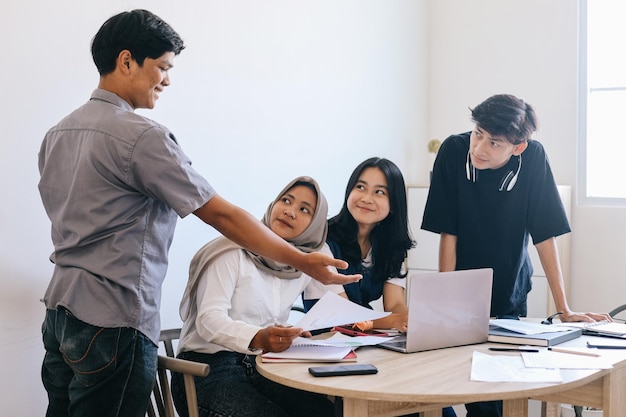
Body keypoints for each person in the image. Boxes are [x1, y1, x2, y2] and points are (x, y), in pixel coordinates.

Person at [37, 10, 358, 417]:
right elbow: (220, 215)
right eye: (162, 68)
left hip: (60, 313)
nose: (167, 80)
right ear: (126, 61)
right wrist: (303, 261)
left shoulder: (57, 134)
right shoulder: (142, 137)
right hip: (112, 318)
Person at [421, 93, 611, 417]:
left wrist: (564, 308)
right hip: (461, 291)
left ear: (517, 146)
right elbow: (448, 234)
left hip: (508, 291)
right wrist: (446, 305)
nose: (479, 148)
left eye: (494, 143)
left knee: (492, 399)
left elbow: (545, 235)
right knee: (445, 388)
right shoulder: (453, 151)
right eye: (477, 134)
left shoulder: (534, 158)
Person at [172, 176, 344, 417]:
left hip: (264, 368)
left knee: (333, 412)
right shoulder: (231, 251)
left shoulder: (304, 263)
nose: (290, 212)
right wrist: (258, 337)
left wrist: (286, 335)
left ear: (316, 224)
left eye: (304, 209)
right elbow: (208, 321)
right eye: (286, 200)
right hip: (207, 371)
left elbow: (339, 308)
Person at [303, 157, 457, 417]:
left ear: (394, 204)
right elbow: (344, 315)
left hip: (364, 345)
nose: (366, 197)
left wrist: (409, 317)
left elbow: (395, 304)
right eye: (360, 187)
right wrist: (395, 320)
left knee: (434, 401)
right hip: (328, 348)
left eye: (379, 192)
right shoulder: (322, 240)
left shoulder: (392, 248)